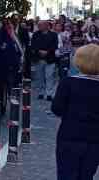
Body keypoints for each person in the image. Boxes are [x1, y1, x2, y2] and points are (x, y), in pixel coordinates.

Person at [51, 44, 99, 180]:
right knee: (86, 175)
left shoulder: (68, 83)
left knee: (66, 174)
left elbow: (57, 109)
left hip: (70, 134)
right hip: (95, 139)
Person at [30, 21, 59, 101]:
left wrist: (47, 52)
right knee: (40, 77)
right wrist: (39, 51)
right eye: (38, 25)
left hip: (50, 59)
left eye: (41, 25)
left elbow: (55, 45)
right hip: (38, 58)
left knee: (49, 77)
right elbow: (33, 45)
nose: (39, 26)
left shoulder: (53, 35)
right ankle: (41, 93)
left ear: (46, 26)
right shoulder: (35, 34)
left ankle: (49, 93)